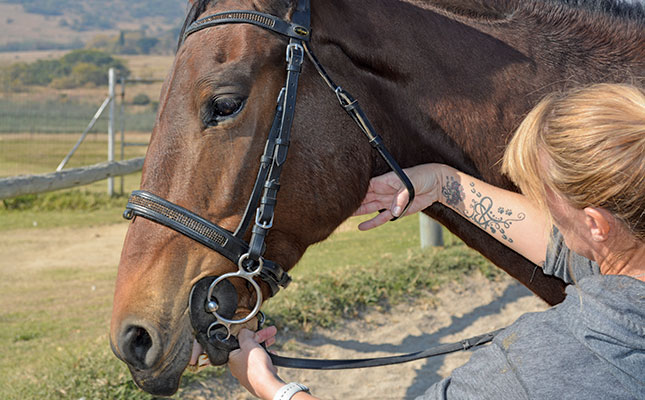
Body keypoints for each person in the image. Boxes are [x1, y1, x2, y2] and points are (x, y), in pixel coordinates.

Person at [228, 83, 645, 399]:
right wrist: (444, 185)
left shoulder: (553, 364)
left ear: (596, 224)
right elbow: (568, 246)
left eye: (546, 194)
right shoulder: (628, 258)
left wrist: (269, 385)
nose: (540, 204)